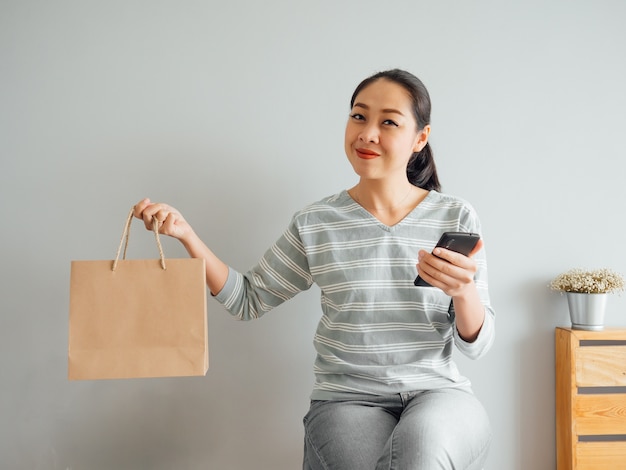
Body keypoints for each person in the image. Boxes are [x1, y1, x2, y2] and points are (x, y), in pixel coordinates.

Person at [134, 68, 495, 469]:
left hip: (438, 395)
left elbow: (477, 344)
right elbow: (248, 299)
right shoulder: (316, 222)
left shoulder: (454, 216)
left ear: (420, 138)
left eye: (388, 122)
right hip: (345, 400)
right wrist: (187, 235)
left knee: (421, 454)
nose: (367, 133)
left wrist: (463, 292)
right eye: (359, 116)